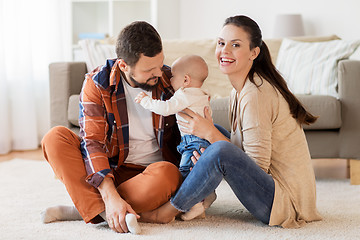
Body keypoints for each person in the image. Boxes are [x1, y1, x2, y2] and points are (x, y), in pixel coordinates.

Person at [138, 15, 323, 228]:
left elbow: (257, 167)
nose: (224, 51)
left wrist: (211, 138)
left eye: (235, 45)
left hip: (285, 202)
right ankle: (197, 194)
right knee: (208, 135)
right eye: (221, 43)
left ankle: (167, 211)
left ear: (254, 52)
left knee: (217, 146)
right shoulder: (241, 89)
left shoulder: (256, 94)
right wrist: (208, 141)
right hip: (271, 189)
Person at [40, 21, 183, 234]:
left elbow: (190, 130)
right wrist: (109, 193)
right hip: (111, 170)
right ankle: (108, 211)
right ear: (124, 65)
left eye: (160, 64)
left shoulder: (171, 80)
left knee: (168, 175)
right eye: (149, 69)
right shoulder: (98, 83)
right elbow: (93, 142)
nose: (159, 73)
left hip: (151, 175)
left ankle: (86, 208)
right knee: (54, 138)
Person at [134, 55, 217, 220]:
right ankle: (209, 195)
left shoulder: (185, 95)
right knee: (199, 170)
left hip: (193, 141)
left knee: (186, 173)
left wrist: (146, 101)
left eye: (172, 77)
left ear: (185, 80)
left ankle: (194, 204)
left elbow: (166, 108)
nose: (169, 79)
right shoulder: (202, 95)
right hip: (203, 140)